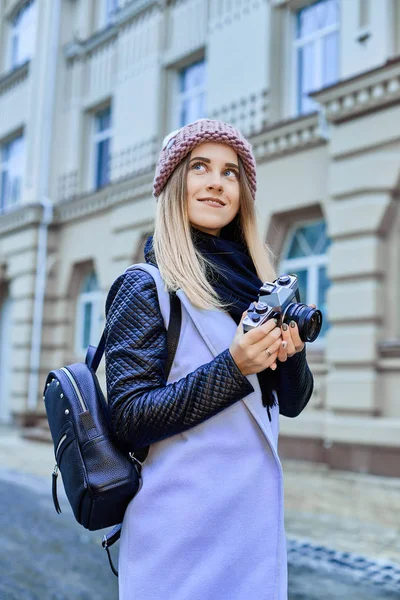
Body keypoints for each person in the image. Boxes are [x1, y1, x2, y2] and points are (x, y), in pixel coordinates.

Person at [104, 119, 314, 600]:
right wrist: (234, 367)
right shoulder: (146, 285)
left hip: (253, 529)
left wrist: (293, 360)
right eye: (200, 167)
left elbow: (292, 404)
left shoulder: (258, 287)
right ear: (175, 184)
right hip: (181, 535)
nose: (217, 182)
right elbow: (129, 418)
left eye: (230, 172)